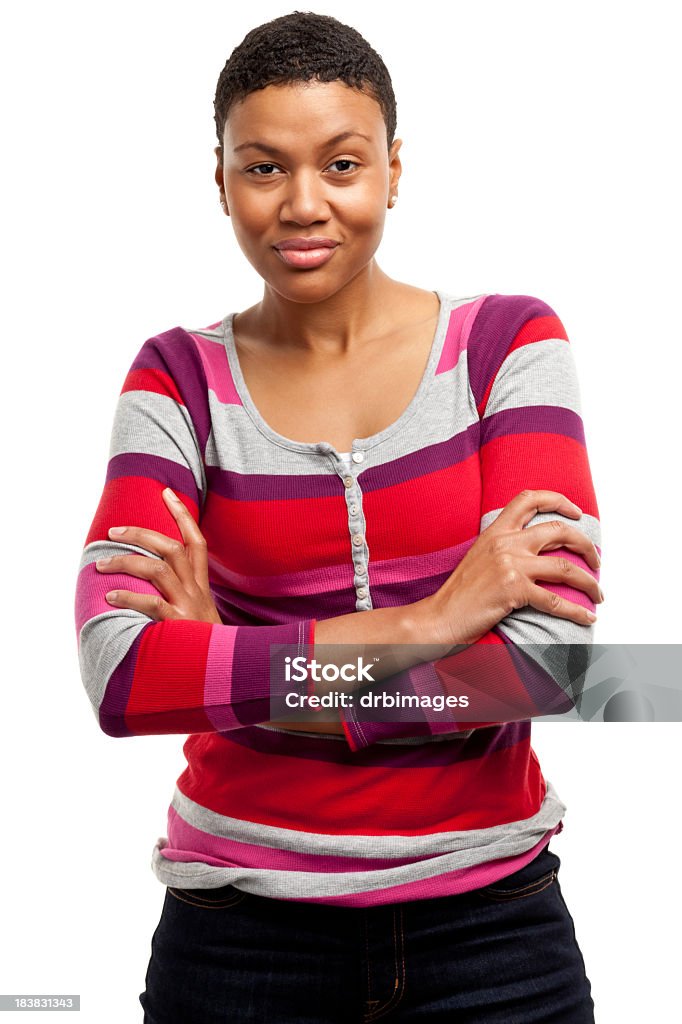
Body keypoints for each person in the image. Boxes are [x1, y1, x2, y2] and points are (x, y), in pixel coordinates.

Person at [74, 11, 603, 1022]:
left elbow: (540, 667)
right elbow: (125, 674)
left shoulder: (506, 346)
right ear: (220, 178)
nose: (304, 205)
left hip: (493, 932)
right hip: (237, 937)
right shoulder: (175, 380)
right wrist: (429, 623)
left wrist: (224, 662)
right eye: (264, 167)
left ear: (394, 169)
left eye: (343, 163)